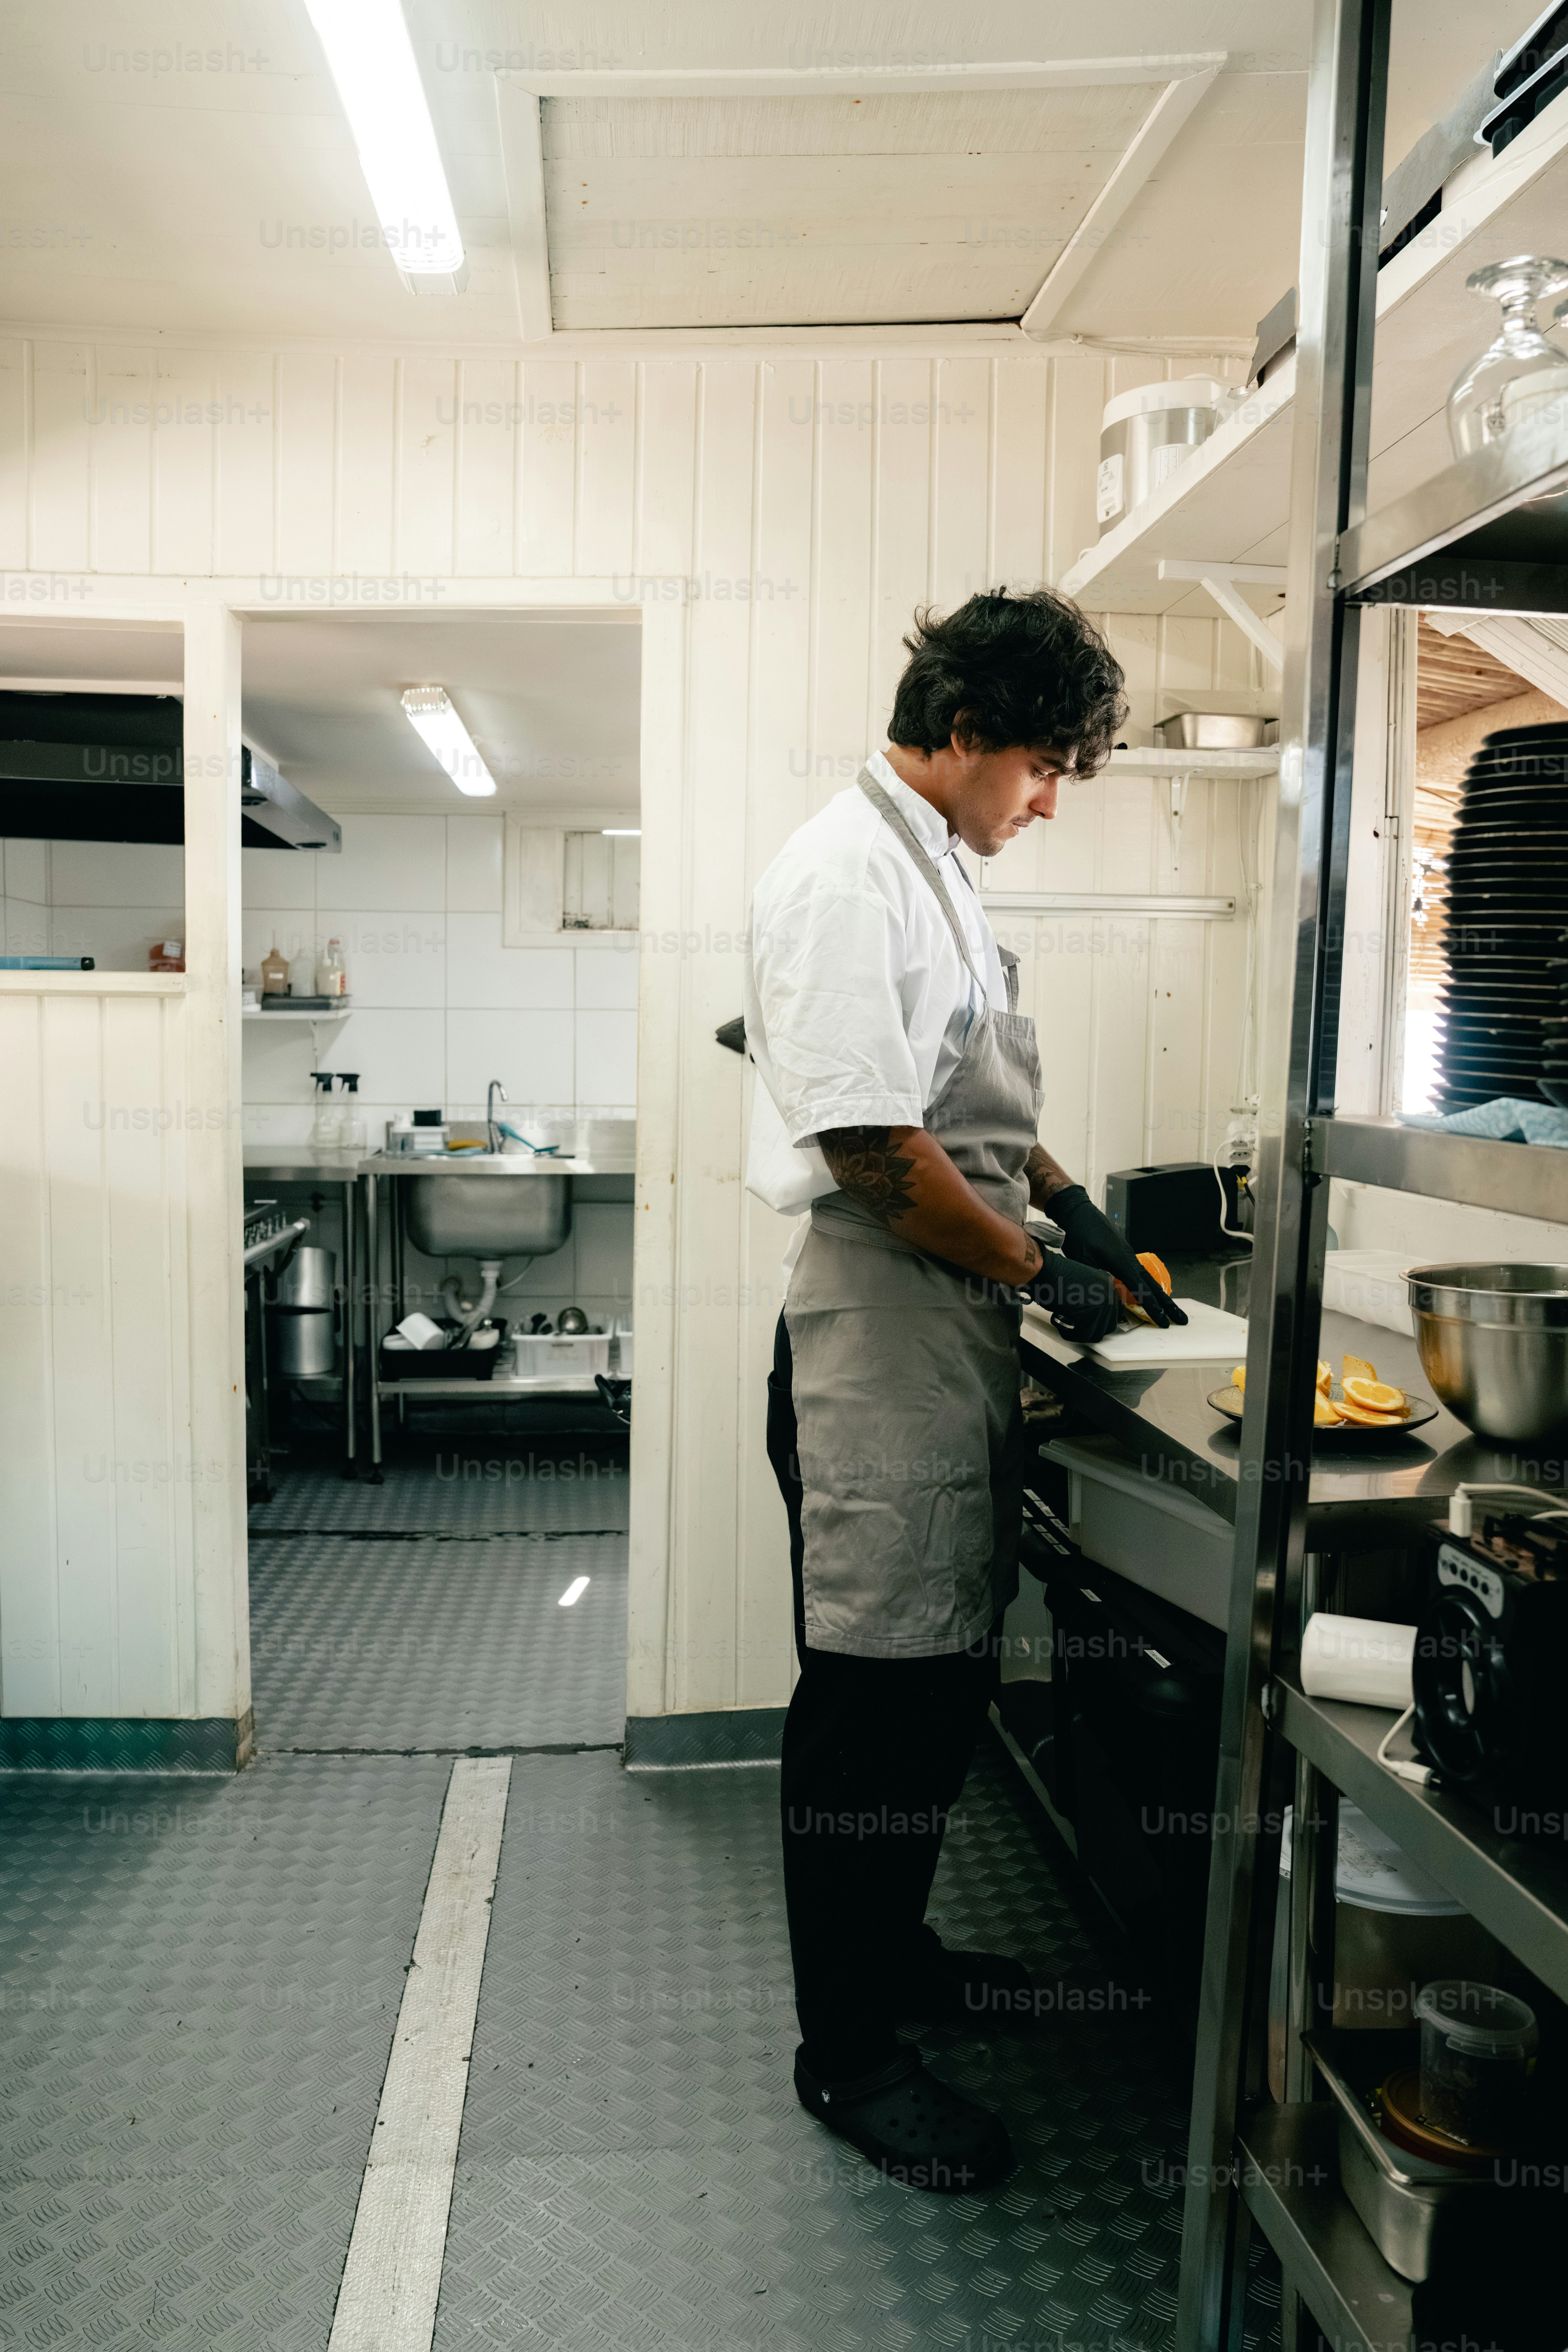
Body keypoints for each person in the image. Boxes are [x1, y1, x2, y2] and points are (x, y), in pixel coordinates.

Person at [742, 586, 1186, 2194]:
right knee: (869, 1713)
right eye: (1045, 764)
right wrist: (1029, 1268)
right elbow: (875, 1154)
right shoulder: (840, 873)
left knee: (932, 1697)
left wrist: (1069, 1208)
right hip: (878, 1334)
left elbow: (961, 1096)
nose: (1050, 799)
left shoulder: (928, 862)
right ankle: (844, 2056)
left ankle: (900, 1965)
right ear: (959, 732)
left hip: (948, 1326)